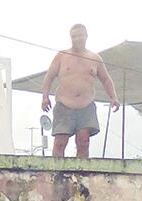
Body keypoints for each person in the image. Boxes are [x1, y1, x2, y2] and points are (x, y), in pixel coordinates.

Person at [41, 24, 121, 159]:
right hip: (64, 106)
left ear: (86, 36)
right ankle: (56, 173)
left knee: (83, 141)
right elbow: (48, 77)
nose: (77, 39)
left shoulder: (94, 58)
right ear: (70, 38)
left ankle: (81, 174)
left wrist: (114, 97)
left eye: (80, 36)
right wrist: (45, 97)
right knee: (60, 142)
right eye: (74, 36)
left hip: (86, 106)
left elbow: (106, 79)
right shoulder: (62, 56)